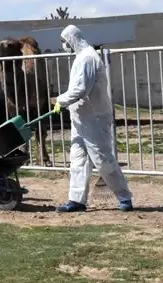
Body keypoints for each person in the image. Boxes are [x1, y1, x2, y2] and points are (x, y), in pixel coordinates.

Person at [52, 24, 134, 213]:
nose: (64, 45)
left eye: (65, 41)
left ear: (72, 39)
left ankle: (124, 197)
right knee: (78, 160)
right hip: (81, 118)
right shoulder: (81, 57)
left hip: (94, 119)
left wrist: (60, 100)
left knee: (102, 159)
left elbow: (81, 89)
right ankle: (76, 200)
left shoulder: (88, 58)